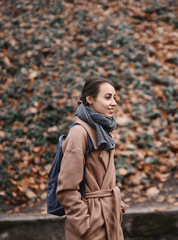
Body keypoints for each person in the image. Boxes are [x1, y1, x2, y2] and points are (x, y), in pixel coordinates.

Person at [57, 77, 128, 240]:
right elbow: (67, 187)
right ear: (90, 99)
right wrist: (84, 223)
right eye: (107, 97)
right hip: (91, 223)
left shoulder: (102, 129)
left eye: (114, 97)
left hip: (109, 217)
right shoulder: (79, 133)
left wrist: (116, 206)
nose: (114, 103)